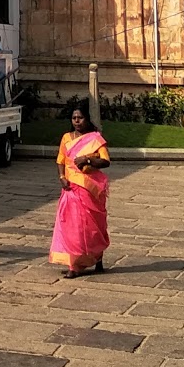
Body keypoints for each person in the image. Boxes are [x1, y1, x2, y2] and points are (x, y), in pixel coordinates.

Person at [49, 101, 110, 278]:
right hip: (70, 188)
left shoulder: (95, 139)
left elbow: (105, 161)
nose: (77, 121)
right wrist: (62, 177)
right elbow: (60, 160)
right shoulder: (66, 138)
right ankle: (74, 264)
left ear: (87, 119)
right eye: (74, 118)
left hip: (89, 188)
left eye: (80, 118)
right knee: (71, 226)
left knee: (93, 227)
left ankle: (97, 259)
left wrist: (87, 160)